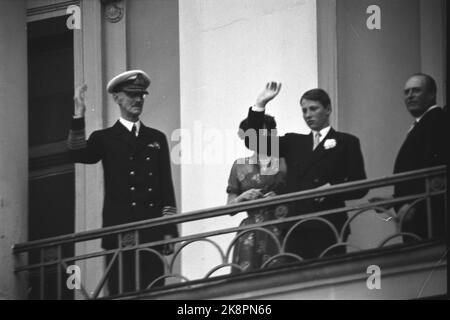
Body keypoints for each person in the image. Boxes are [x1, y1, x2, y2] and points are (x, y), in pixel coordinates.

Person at [67, 70, 178, 295]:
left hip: (151, 234)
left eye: (141, 95)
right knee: (121, 294)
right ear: (117, 98)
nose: (138, 100)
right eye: (131, 95)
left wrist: (170, 231)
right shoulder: (104, 138)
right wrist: (79, 115)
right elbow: (77, 154)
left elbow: (166, 186)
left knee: (154, 293)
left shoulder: (156, 138)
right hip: (119, 236)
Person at [246, 82, 367, 260]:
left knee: (329, 280)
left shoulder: (347, 142)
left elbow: (360, 186)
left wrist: (332, 188)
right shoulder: (294, 142)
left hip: (328, 224)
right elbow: (254, 142)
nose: (308, 115)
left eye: (313, 109)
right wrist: (260, 105)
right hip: (295, 226)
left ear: (328, 109)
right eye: (304, 110)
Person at [372, 73, 447, 241]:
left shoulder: (437, 120)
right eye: (406, 92)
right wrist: (395, 199)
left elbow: (435, 169)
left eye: (416, 91)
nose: (410, 96)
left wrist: (413, 202)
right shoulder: (423, 123)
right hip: (417, 215)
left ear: (432, 94)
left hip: (428, 217)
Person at [227, 115, 289, 273]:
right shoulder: (240, 165)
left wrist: (279, 197)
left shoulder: (283, 161)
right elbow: (230, 209)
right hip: (251, 232)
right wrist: (243, 197)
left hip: (280, 227)